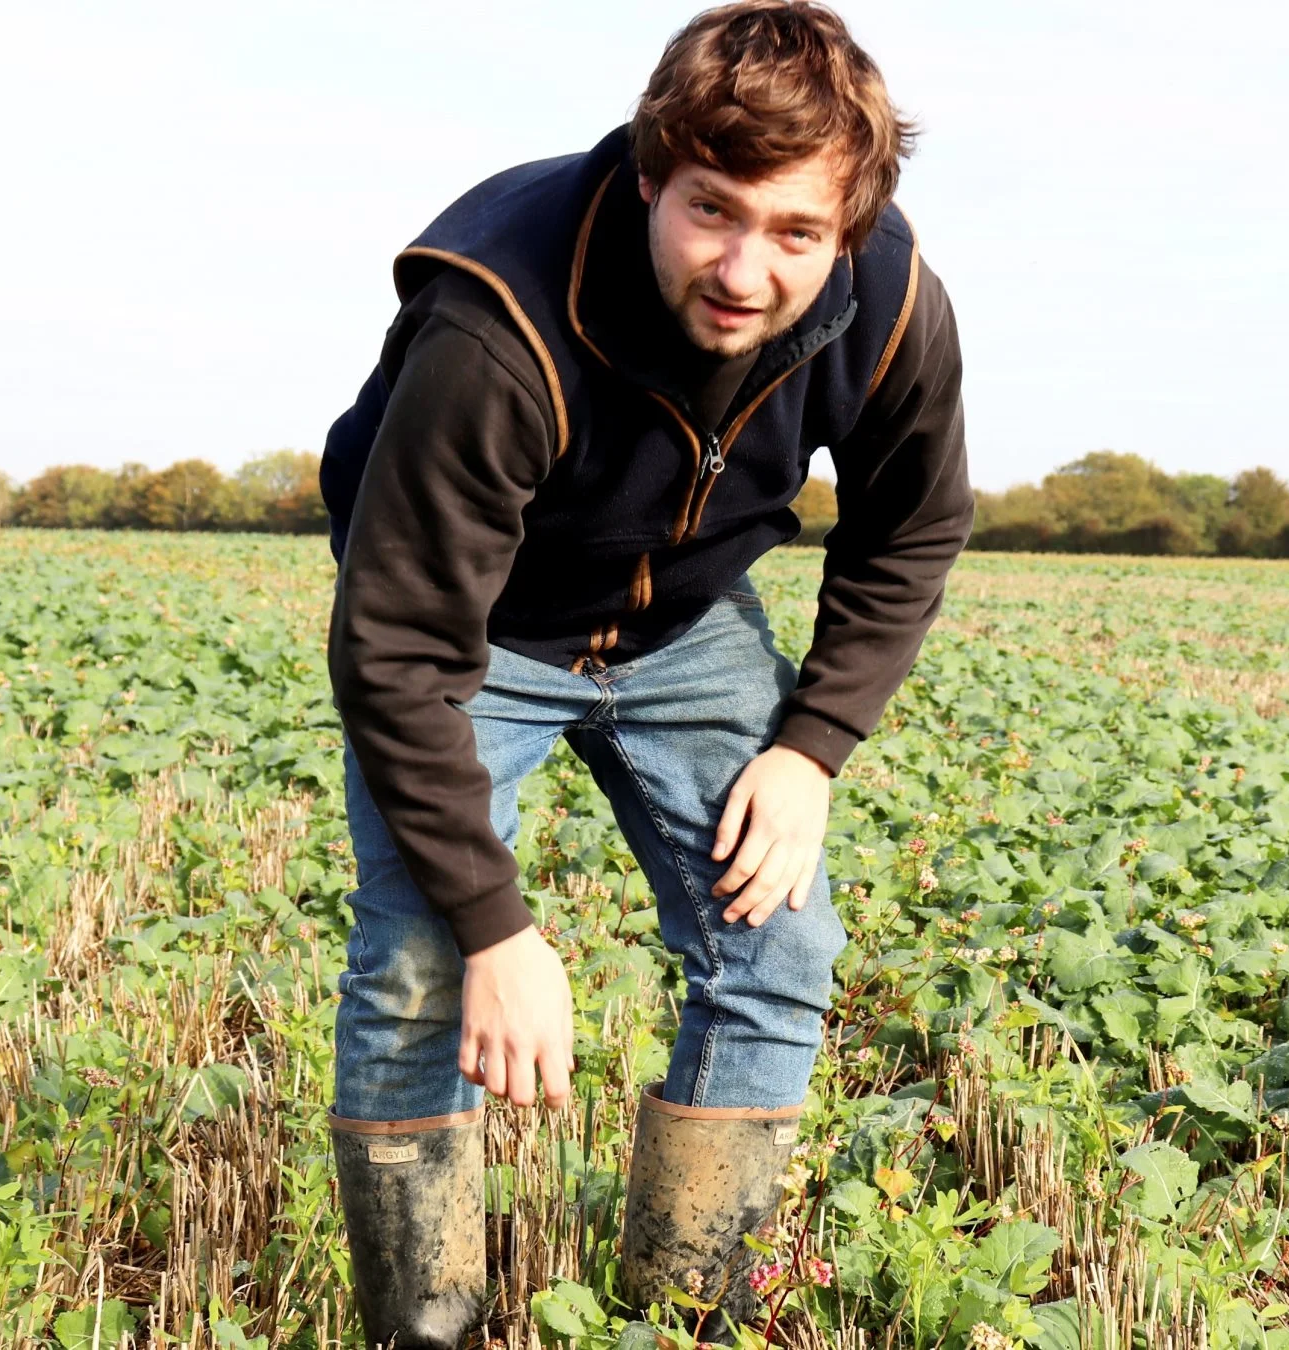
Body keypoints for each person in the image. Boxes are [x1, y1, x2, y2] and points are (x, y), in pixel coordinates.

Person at [315, 2, 971, 1344]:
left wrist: (809, 747)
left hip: (679, 622)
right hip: (474, 628)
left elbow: (912, 525)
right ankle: (420, 1323)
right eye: (713, 212)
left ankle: (685, 1308)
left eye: (796, 232)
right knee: (419, 963)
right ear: (651, 169)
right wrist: (499, 929)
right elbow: (393, 645)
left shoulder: (890, 299)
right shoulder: (498, 325)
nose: (747, 268)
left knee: (777, 936)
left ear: (847, 226)